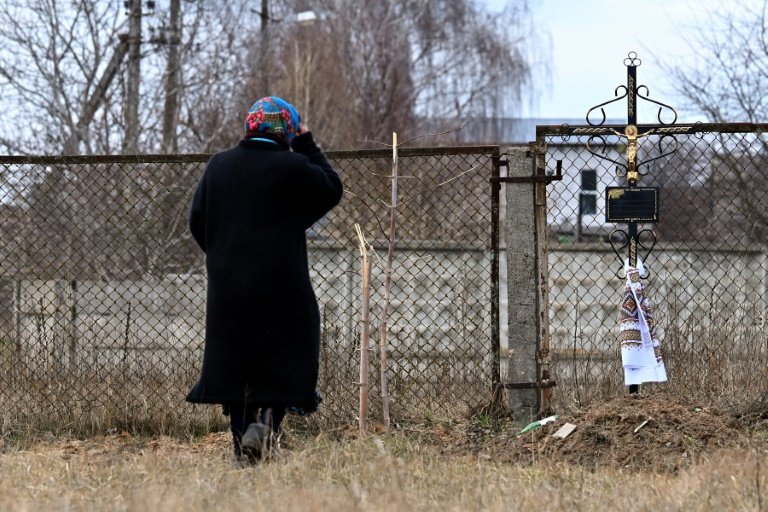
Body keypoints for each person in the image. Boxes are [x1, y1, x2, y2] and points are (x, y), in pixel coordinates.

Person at [186, 96, 343, 462]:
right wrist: (306, 143)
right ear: (287, 128)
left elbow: (197, 219)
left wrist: (223, 255)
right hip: (282, 285)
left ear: (249, 125)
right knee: (285, 356)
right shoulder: (292, 166)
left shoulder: (219, 166)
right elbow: (331, 189)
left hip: (229, 288)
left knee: (237, 363)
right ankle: (268, 427)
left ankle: (244, 444)